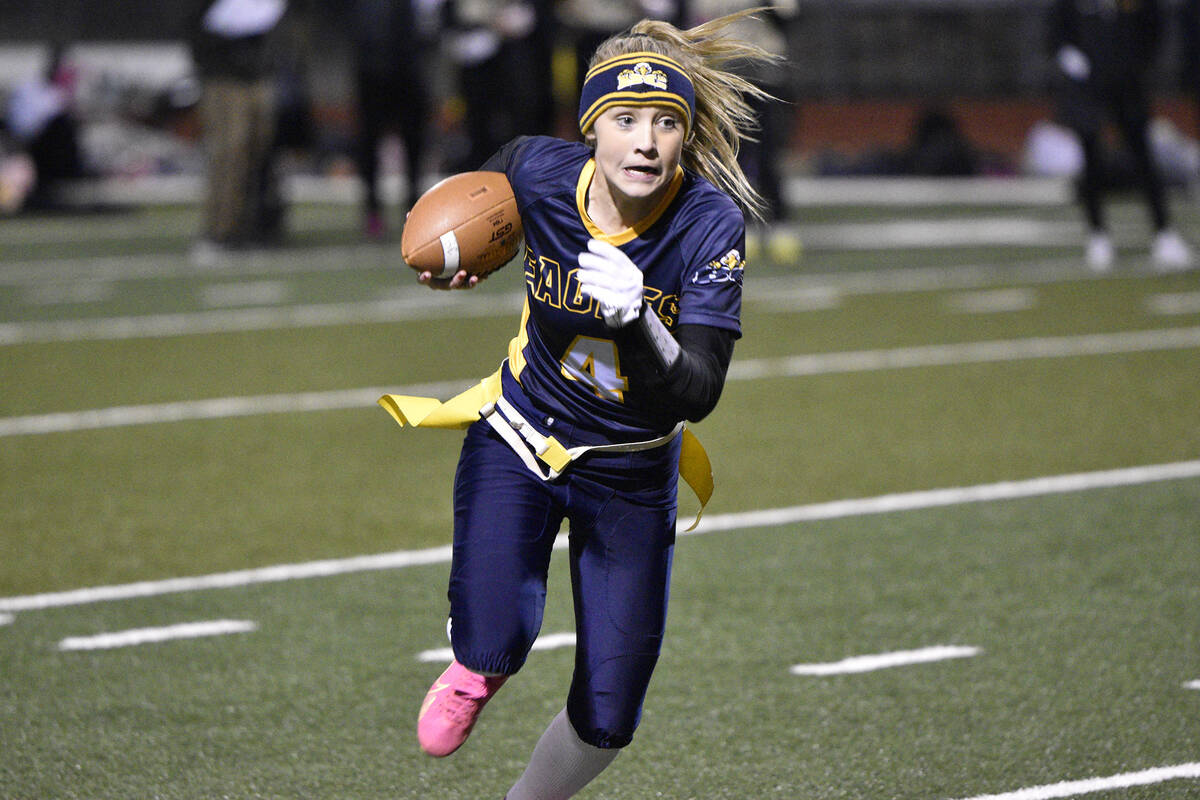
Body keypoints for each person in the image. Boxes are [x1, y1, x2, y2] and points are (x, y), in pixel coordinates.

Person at [378, 10, 776, 798]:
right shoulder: (536, 170)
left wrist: (640, 327)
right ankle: (475, 664)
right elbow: (480, 206)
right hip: (522, 436)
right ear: (591, 129)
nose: (647, 142)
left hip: (631, 472)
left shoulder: (707, 222)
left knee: (609, 714)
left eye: (666, 122)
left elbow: (699, 390)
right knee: (497, 640)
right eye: (624, 120)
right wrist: (462, 259)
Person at [1047, 0, 1192, 272]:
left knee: (1144, 157)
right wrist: (1069, 57)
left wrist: (1136, 63)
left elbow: (1153, 28)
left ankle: (1164, 232)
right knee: (1091, 159)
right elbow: (1056, 31)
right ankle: (1097, 234)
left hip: (1127, 84)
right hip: (1086, 86)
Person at [188, 0, 287, 263]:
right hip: (223, 76)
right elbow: (196, 23)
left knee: (258, 152)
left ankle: (250, 227)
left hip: (257, 73)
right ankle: (218, 231)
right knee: (229, 152)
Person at [350, 0, 436, 238]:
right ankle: (373, 210)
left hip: (408, 64)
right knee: (369, 142)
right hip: (372, 66)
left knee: (414, 141)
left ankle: (413, 208)